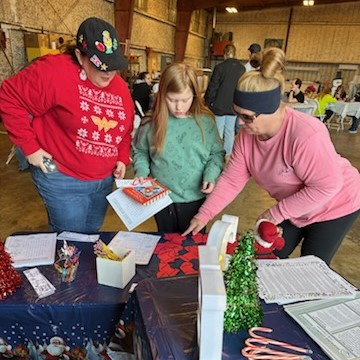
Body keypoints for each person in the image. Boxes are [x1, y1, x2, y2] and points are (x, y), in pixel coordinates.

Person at [183, 47, 360, 265]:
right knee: (266, 258)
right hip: (296, 208)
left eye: (247, 117)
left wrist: (278, 211)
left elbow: (326, 187)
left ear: (270, 110)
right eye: (237, 114)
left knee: (311, 266)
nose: (239, 123)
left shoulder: (306, 134)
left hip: (335, 204)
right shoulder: (246, 138)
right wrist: (204, 214)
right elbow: (231, 180)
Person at [0, 17, 134, 233]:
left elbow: (125, 129)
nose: (108, 73)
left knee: (91, 233)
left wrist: (121, 157)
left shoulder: (119, 86)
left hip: (103, 182)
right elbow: (10, 96)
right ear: (80, 56)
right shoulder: (55, 71)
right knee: (71, 240)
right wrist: (30, 147)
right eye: (100, 65)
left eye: (113, 66)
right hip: (63, 178)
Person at [132, 62, 225, 233]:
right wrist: (141, 172)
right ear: (161, 95)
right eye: (172, 100)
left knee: (191, 248)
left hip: (195, 199)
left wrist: (211, 175)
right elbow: (140, 151)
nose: (179, 107)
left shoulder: (205, 122)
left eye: (185, 100)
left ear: (195, 95)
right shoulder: (151, 122)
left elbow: (217, 154)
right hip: (161, 200)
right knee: (166, 245)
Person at [204, 44, 245, 161]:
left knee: (218, 131)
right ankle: (228, 155)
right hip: (233, 106)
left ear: (225, 54)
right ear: (234, 53)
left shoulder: (220, 68)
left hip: (219, 106)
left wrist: (208, 101)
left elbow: (213, 87)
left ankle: (216, 155)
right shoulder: (242, 69)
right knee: (230, 131)